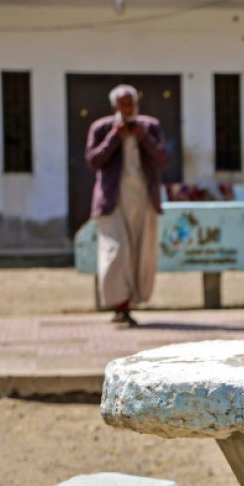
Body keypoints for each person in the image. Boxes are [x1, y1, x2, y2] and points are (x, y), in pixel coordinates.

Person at [86, 84, 169, 327]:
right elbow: (93, 161)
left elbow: (163, 158)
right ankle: (119, 304)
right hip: (112, 202)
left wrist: (144, 137)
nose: (128, 108)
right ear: (115, 106)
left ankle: (129, 304)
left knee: (139, 254)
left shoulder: (150, 126)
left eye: (131, 102)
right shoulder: (101, 128)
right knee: (117, 252)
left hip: (143, 200)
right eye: (123, 104)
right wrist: (114, 137)